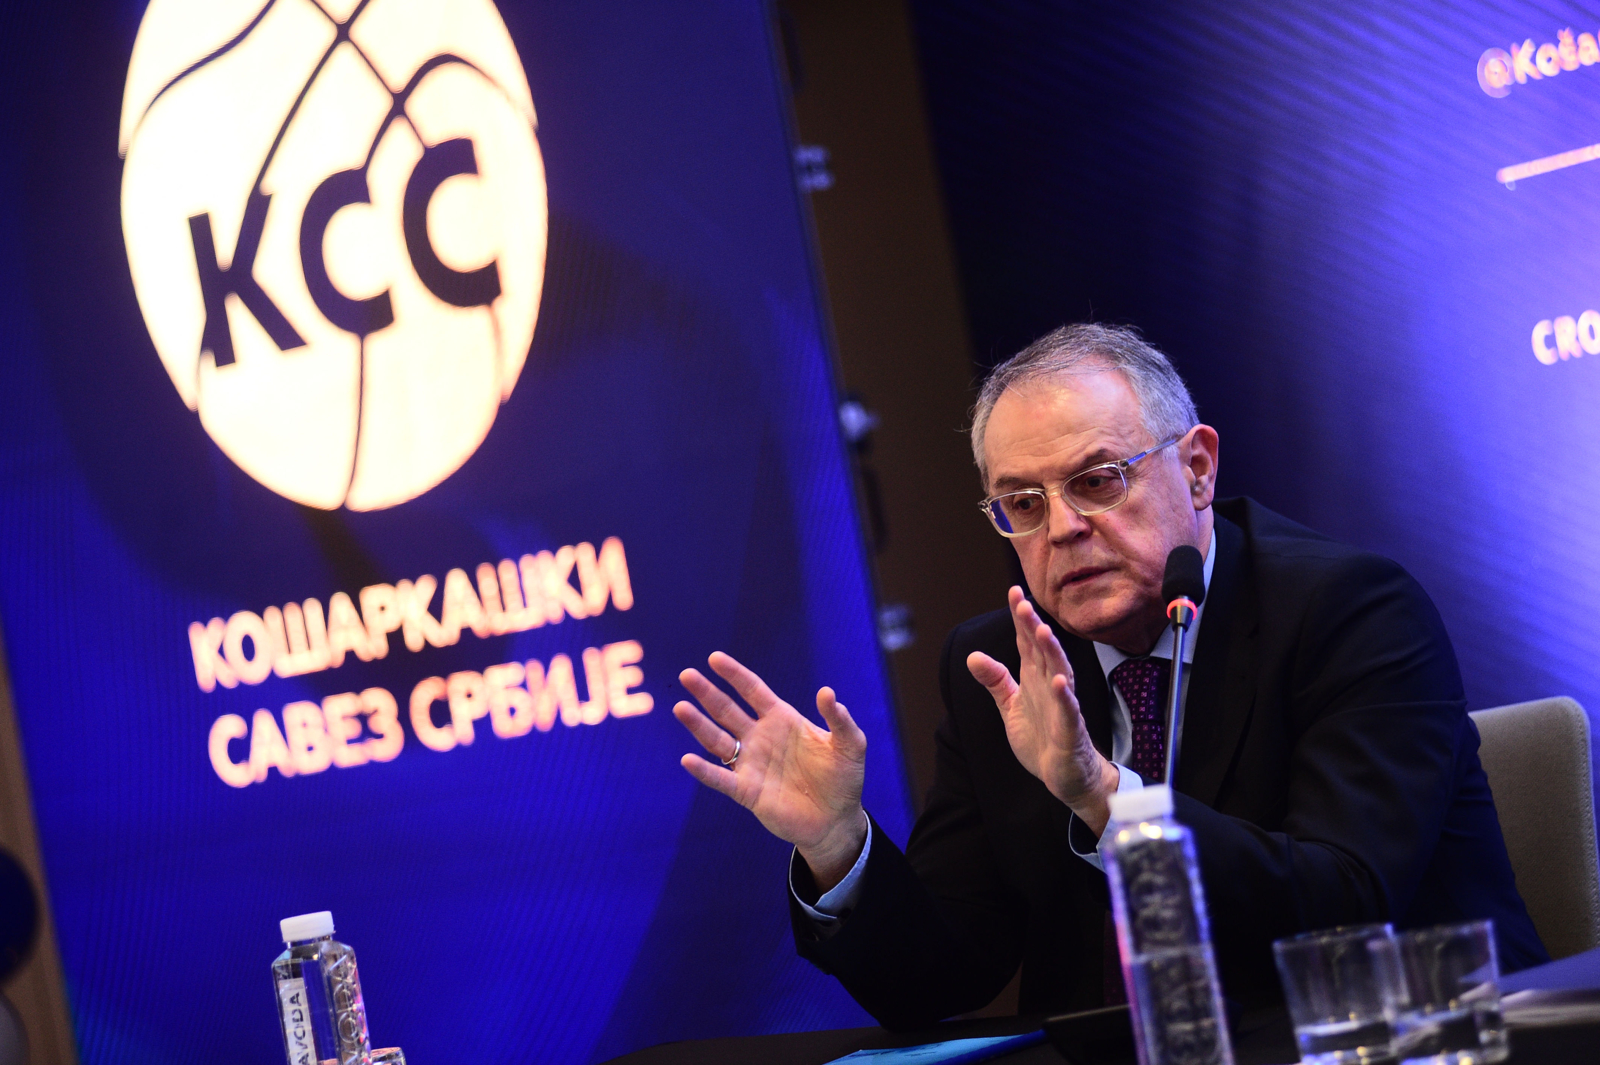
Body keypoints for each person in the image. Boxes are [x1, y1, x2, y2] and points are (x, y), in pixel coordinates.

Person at [671, 323, 1546, 1030]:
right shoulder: (1000, 670)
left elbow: (1343, 902)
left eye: (1096, 481)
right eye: (1023, 503)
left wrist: (1108, 799)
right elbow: (942, 978)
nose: (1062, 528)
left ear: (1197, 469)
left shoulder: (1350, 609)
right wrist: (838, 845)